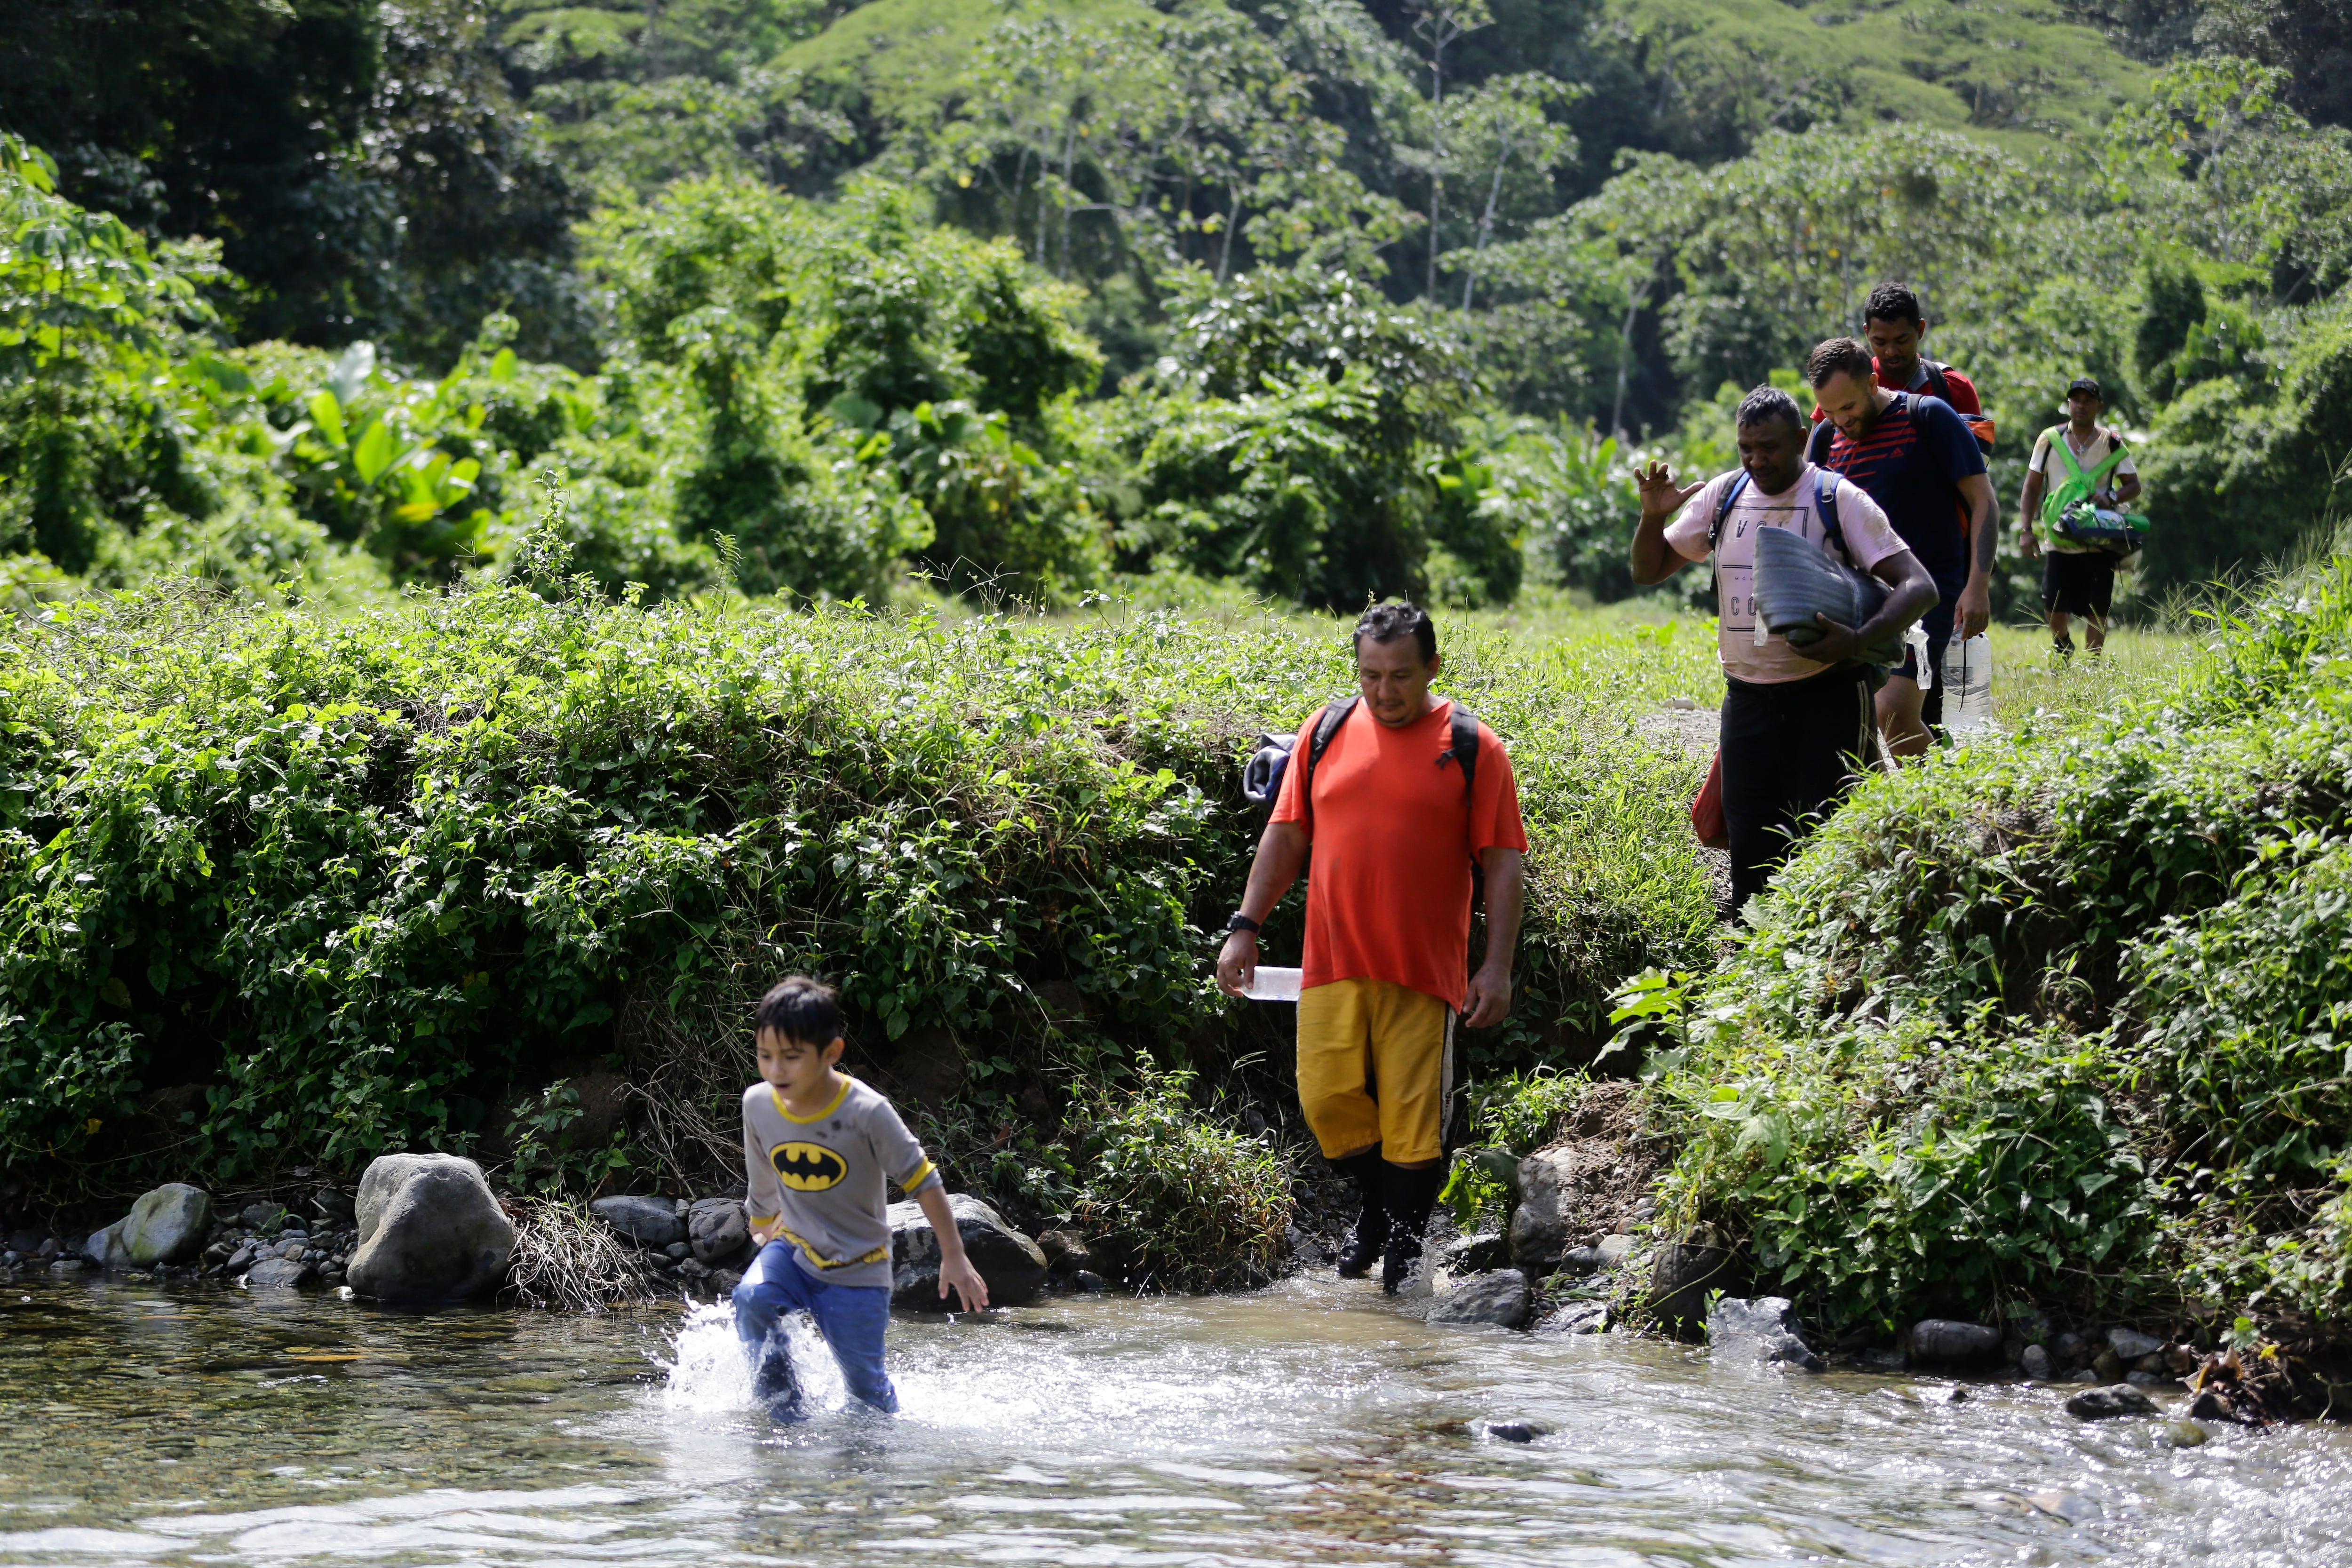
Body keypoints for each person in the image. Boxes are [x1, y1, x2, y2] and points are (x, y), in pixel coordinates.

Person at [1213, 603, 1527, 1294]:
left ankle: (1404, 1258)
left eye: (1402, 677)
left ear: (1433, 670)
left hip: (1425, 972)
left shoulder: (1474, 745)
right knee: (1327, 1103)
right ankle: (1380, 1212)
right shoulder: (1324, 732)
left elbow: (1503, 863)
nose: (1385, 692)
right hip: (1333, 962)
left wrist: (1496, 966)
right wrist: (1245, 923)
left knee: (1414, 1127)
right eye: (1371, 676)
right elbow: (1287, 834)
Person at [1630, 385, 1937, 911]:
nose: (1756, 460)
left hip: (1830, 696)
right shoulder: (1724, 495)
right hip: (1746, 699)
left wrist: (1858, 639)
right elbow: (1647, 570)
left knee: (1830, 842)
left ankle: (1835, 966)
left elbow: (1919, 587)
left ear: (1800, 438)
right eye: (1745, 449)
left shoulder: (1836, 499)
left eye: (1768, 447)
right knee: (1749, 845)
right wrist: (1653, 517)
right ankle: (1752, 960)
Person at [731, 975, 988, 1423]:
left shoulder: (866, 1111)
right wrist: (761, 1219)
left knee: (866, 1394)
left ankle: (871, 1472)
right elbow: (763, 1172)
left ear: (831, 1053)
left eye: (791, 1058)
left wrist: (954, 1254)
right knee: (751, 1299)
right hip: (793, 1247)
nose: (776, 1071)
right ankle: (783, 1414)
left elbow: (923, 1179)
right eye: (765, 1056)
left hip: (859, 1267)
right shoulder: (758, 1103)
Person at [1807, 336, 2000, 758]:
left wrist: (1978, 585)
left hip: (1926, 592)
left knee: (1893, 712)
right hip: (1857, 597)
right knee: (1851, 717)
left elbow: (1983, 500)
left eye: (1850, 408)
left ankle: (1946, 815)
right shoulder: (1825, 438)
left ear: (1872, 383)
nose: (1842, 421)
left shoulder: (1927, 416)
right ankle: (1897, 817)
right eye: (1832, 411)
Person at [2020, 376, 2141, 659]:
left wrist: (2111, 497)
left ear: (2099, 406)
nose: (2081, 406)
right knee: (2053, 603)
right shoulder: (2049, 440)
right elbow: (2032, 485)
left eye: (2088, 401)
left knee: (2098, 607)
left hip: (2099, 538)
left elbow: (2134, 485)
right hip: (2060, 537)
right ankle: (2062, 645)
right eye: (2076, 400)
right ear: (2069, 404)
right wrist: (2026, 529)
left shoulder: (2111, 443)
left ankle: (2093, 663)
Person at [1840, 281, 1996, 455]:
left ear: (1920, 330)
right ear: (1867, 332)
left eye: (1902, 340)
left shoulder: (1954, 388)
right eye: (1880, 342)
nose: (1891, 352)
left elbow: (1977, 463)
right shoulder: (1846, 386)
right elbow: (1815, 468)